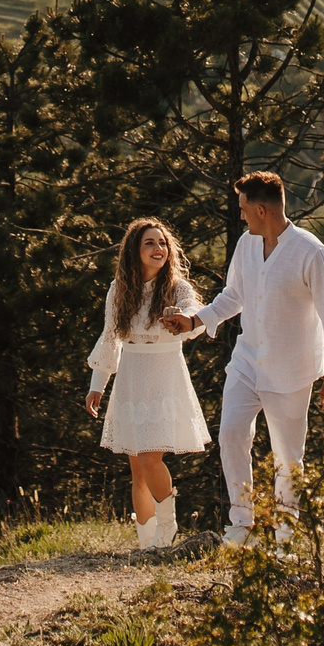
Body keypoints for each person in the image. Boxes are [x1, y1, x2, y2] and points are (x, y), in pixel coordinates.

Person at [162, 171, 324, 546]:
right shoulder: (247, 246)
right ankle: (241, 524)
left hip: (291, 371)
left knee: (287, 456)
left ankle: (284, 535)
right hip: (247, 360)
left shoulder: (311, 252)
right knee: (230, 433)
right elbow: (234, 296)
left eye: (244, 209)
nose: (241, 216)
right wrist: (194, 321)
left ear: (262, 210)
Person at [84, 216, 210, 549]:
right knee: (138, 467)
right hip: (131, 376)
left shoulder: (178, 288)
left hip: (165, 375)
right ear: (134, 251)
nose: (158, 249)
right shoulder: (119, 289)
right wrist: (98, 384)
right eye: (150, 243)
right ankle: (146, 543)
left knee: (152, 459)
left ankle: (167, 529)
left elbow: (195, 319)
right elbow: (110, 338)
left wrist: (182, 321)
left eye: (163, 243)